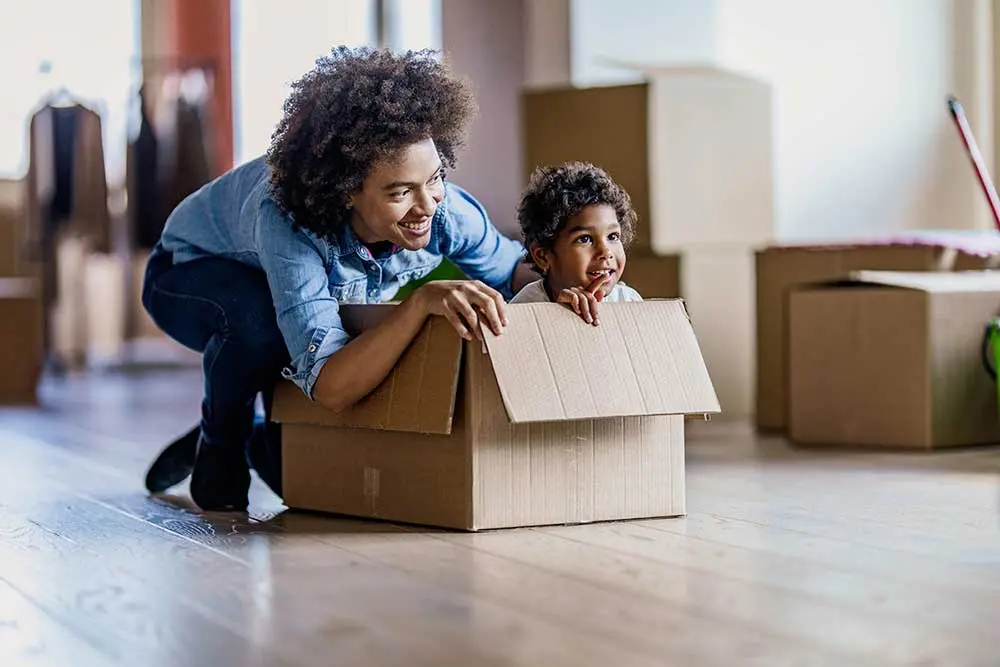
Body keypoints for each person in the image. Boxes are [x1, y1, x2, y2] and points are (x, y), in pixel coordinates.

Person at [140, 46, 534, 512]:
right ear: (347, 190)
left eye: (435, 178)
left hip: (274, 298)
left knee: (305, 482)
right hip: (186, 278)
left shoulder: (445, 212)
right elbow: (330, 386)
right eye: (400, 191)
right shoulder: (290, 222)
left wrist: (573, 280)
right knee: (258, 324)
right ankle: (221, 442)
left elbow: (513, 270)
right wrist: (418, 303)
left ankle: (251, 430)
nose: (427, 205)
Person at [510, 161, 642, 323]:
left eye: (612, 236)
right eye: (585, 239)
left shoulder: (628, 301)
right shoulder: (524, 310)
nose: (605, 252)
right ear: (543, 256)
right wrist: (558, 317)